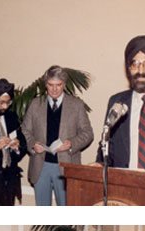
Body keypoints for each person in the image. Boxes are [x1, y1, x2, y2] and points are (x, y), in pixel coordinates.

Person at [95, 35, 145, 173]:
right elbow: (107, 149)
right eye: (135, 64)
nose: (141, 71)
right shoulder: (117, 102)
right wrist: (100, 165)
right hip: (124, 188)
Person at [21, 65, 94, 206]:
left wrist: (71, 143)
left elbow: (88, 133)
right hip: (40, 166)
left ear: (64, 84)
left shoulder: (76, 105)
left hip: (66, 166)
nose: (54, 89)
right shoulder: (35, 104)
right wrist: (33, 145)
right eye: (50, 85)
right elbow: (25, 130)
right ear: (45, 84)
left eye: (58, 85)